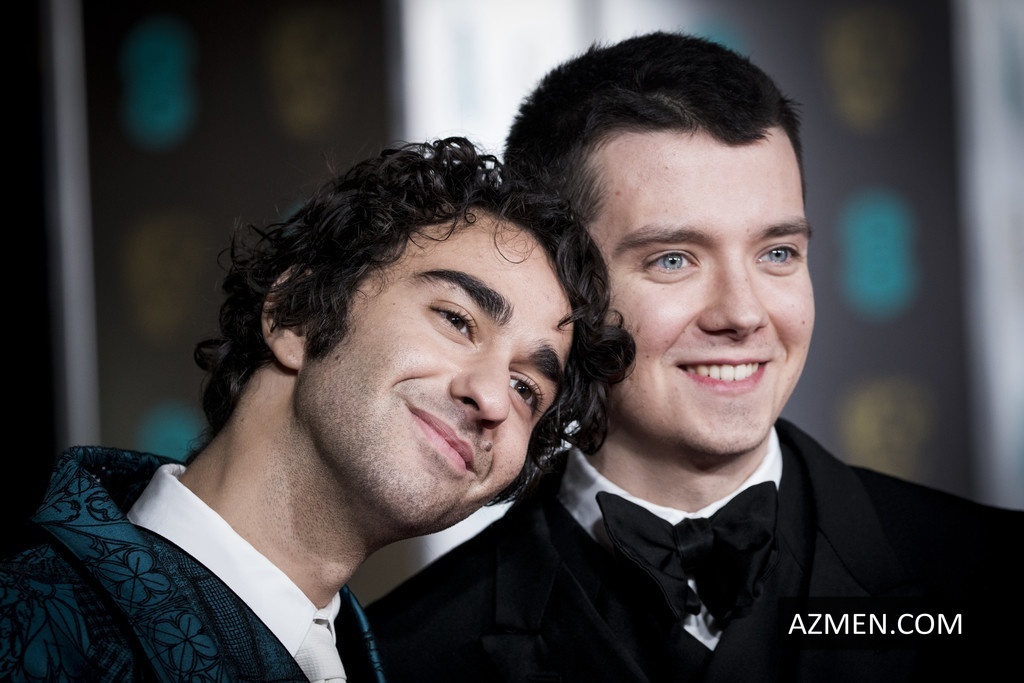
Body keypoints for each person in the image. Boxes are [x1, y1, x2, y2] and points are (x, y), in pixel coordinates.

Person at [366, 33, 1024, 682]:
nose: (743, 313)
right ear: (557, 282)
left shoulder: (993, 574)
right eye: (674, 260)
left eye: (777, 253)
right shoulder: (403, 659)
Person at [0, 137, 634, 682]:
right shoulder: (31, 619)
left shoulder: (380, 659)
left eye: (527, 389)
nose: (492, 398)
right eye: (457, 320)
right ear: (297, 314)